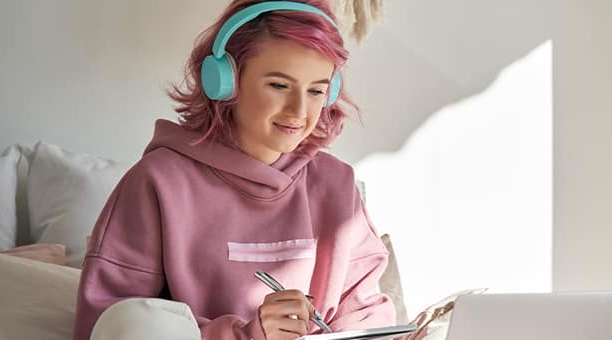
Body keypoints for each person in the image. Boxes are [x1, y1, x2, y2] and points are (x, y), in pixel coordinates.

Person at [71, 1, 395, 339]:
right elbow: (114, 324)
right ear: (224, 81)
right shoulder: (158, 182)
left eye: (316, 90)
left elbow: (367, 310)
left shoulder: (337, 183)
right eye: (279, 86)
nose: (300, 109)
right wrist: (247, 335)